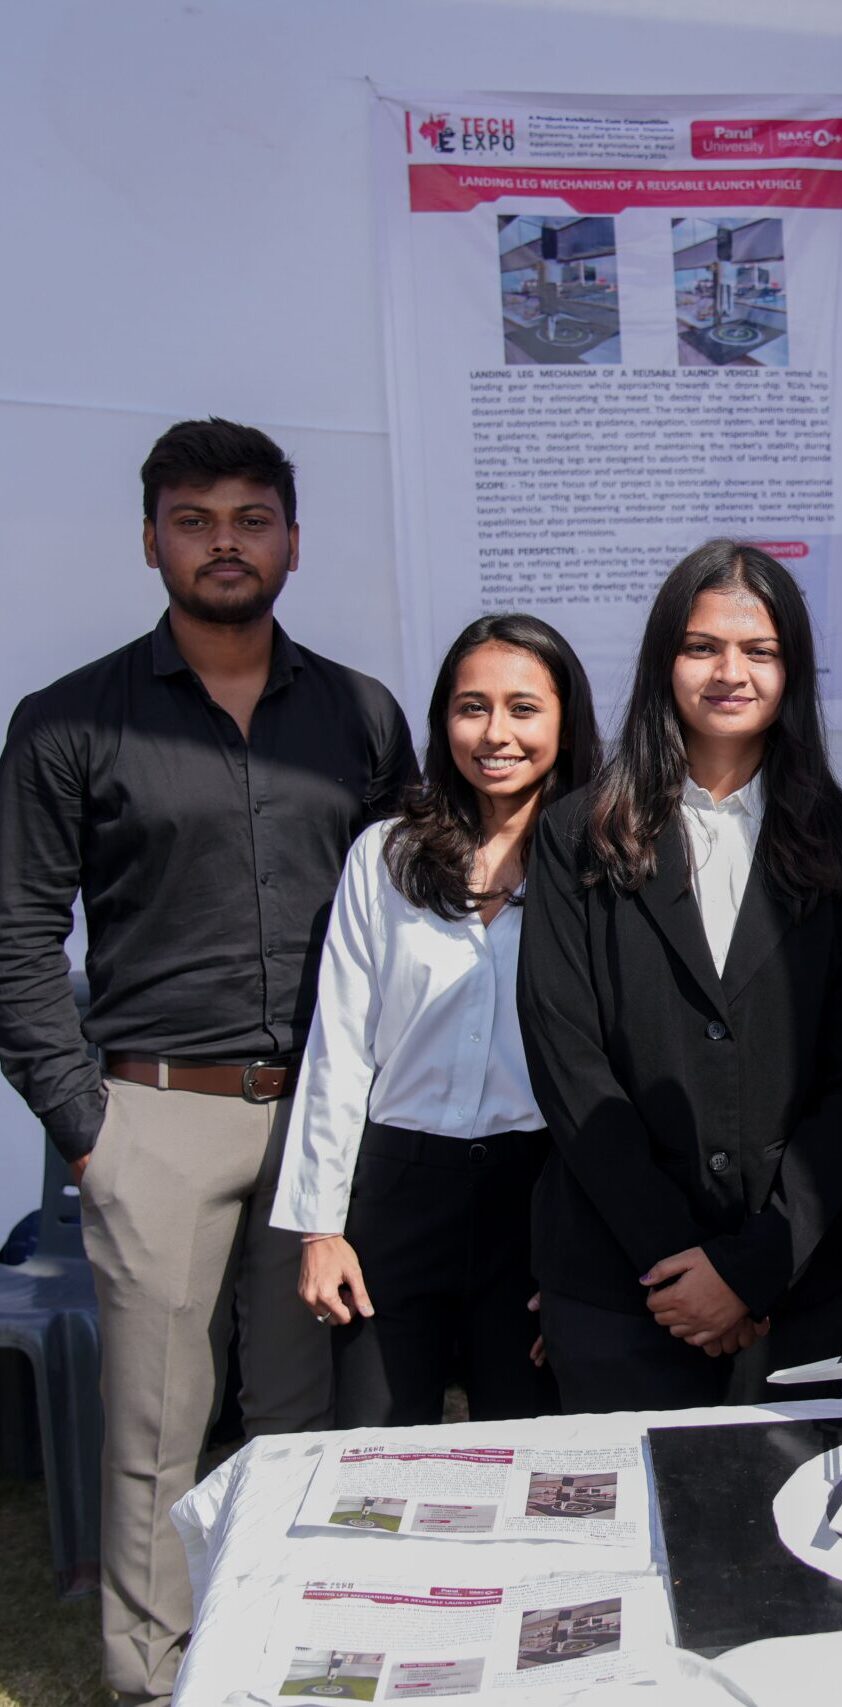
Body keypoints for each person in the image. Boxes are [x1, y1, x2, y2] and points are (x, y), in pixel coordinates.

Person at [0, 418, 416, 1706]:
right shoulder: (68, 721)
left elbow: (406, 913)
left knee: (300, 1417)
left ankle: (283, 1651)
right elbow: (16, 934)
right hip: (157, 1116)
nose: (223, 544)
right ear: (150, 542)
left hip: (324, 1116)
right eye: (194, 521)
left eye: (249, 519)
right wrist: (88, 1130)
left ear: (293, 541)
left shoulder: (359, 714)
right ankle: (151, 1681)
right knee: (155, 1433)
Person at [519, 540, 842, 1411]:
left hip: (793, 1287)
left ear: (791, 671)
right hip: (618, 1282)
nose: (730, 672)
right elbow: (567, 1063)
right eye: (702, 647)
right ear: (665, 660)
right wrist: (676, 1265)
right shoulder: (577, 834)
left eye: (759, 650)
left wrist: (752, 1267)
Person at [271, 613, 598, 1426]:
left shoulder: (604, 864)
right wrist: (319, 1229)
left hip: (537, 1198)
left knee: (525, 1452)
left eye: (524, 708)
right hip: (397, 1192)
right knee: (374, 1452)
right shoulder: (385, 856)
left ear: (565, 722)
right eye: (471, 706)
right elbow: (340, 1047)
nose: (495, 733)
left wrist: (589, 1257)